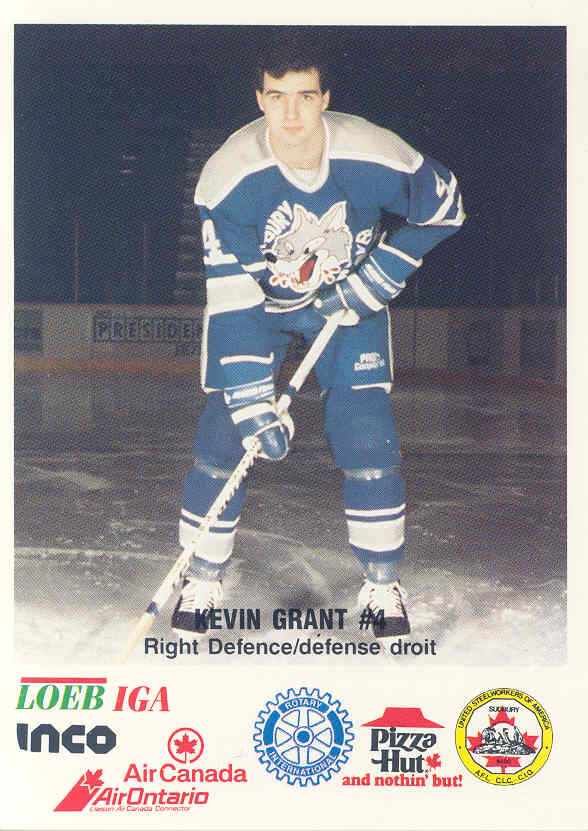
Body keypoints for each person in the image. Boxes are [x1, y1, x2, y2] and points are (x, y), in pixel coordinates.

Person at [172, 38, 464, 638]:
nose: (291, 114)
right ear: (260, 100)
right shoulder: (228, 178)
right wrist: (250, 401)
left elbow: (446, 207)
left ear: (325, 98)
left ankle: (382, 584)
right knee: (225, 433)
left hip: (349, 305)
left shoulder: (373, 152)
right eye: (277, 97)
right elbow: (231, 296)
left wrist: (380, 275)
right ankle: (201, 574)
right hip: (260, 308)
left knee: (367, 433)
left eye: (305, 97)